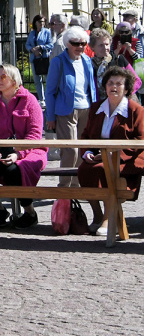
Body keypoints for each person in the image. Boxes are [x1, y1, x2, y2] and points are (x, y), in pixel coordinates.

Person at [0, 63, 46, 228]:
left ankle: (30, 213)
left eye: (3, 77)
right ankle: (0, 210)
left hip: (29, 151)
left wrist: (18, 154)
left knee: (14, 171)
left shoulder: (30, 100)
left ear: (14, 80)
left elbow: (35, 135)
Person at [78, 66, 144, 235]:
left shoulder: (136, 110)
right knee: (84, 169)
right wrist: (87, 153)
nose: (114, 87)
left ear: (126, 89)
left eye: (118, 84)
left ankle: (109, 218)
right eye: (110, 83)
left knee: (105, 170)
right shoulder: (96, 108)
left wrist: (112, 154)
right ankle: (97, 214)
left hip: (125, 159)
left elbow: (140, 140)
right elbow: (85, 136)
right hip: (98, 157)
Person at [45, 26, 97, 187]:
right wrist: (50, 117)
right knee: (70, 151)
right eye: (75, 43)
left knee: (83, 150)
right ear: (68, 43)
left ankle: (77, 186)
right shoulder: (58, 62)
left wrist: (95, 110)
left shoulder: (87, 61)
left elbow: (92, 88)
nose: (80, 47)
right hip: (65, 111)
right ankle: (64, 187)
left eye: (83, 43)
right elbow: (50, 91)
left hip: (86, 109)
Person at [26, 14, 53, 99]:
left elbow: (51, 45)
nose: (42, 23)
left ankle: (49, 97)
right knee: (37, 80)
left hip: (44, 58)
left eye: (43, 22)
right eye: (40, 21)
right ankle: (41, 98)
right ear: (36, 22)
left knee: (48, 79)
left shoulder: (47, 32)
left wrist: (40, 47)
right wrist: (32, 49)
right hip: (34, 59)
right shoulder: (32, 33)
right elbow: (27, 44)